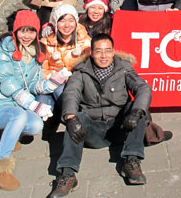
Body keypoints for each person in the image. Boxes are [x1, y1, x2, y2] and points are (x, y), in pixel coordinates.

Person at [49, 34, 154, 197]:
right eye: (99, 51)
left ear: (113, 52)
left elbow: (143, 88)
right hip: (92, 131)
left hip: (121, 127)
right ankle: (67, 174)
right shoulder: (81, 71)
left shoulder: (124, 67)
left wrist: (136, 111)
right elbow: (71, 93)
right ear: (91, 52)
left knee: (137, 108)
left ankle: (131, 160)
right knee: (75, 118)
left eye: (107, 51)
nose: (103, 56)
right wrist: (70, 117)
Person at [0, 10, 71, 191]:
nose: (26, 36)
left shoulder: (35, 54)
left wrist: (54, 81)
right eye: (22, 31)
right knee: (19, 116)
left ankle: (11, 136)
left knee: (36, 125)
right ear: (15, 31)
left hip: (16, 106)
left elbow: (36, 86)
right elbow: (7, 84)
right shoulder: (4, 50)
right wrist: (34, 105)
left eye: (31, 31)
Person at [38, 4, 91, 111]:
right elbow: (41, 68)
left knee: (64, 96)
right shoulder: (46, 42)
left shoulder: (85, 42)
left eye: (71, 20)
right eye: (62, 21)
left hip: (72, 84)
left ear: (76, 22)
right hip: (49, 83)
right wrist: (53, 78)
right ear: (55, 23)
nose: (67, 25)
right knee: (41, 105)